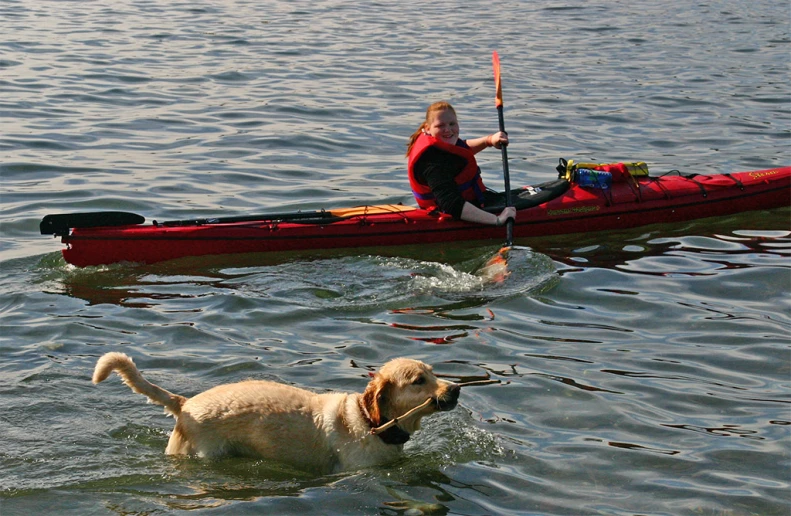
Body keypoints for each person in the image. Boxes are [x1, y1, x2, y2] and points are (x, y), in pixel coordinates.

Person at [406, 101, 517, 226]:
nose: (448, 130)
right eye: (440, 126)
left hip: (471, 203)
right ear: (427, 128)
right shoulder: (432, 163)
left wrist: (489, 140)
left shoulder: (441, 145)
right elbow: (451, 205)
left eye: (452, 124)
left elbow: (463, 149)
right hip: (449, 216)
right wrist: (497, 220)